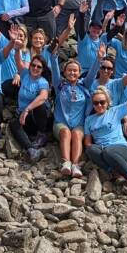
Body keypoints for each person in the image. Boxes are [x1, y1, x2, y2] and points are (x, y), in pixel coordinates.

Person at [49, 51, 91, 179]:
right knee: (66, 132)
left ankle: (76, 165)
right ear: (65, 72)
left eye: (75, 71)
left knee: (77, 134)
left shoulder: (84, 85)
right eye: (69, 70)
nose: (72, 73)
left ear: (79, 73)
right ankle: (66, 162)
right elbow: (55, 70)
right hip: (61, 123)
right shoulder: (60, 85)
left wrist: (99, 59)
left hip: (79, 124)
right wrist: (54, 55)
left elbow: (94, 72)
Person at [10, 52, 52, 162]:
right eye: (33, 65)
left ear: (43, 69)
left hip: (36, 118)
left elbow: (43, 96)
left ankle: (41, 135)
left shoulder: (43, 82)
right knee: (13, 123)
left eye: (39, 67)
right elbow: (18, 60)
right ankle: (31, 150)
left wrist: (27, 109)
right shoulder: (24, 74)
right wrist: (18, 47)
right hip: (24, 118)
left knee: (40, 105)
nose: (35, 68)